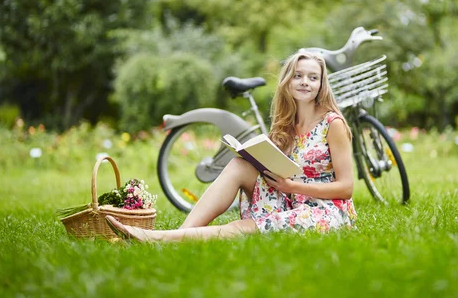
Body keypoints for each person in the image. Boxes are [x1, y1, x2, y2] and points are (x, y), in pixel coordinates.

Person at [105, 51, 357, 242]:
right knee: (239, 164)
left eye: (313, 78)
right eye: (298, 76)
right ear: (288, 82)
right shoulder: (287, 123)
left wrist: (291, 186)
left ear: (321, 84)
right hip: (292, 199)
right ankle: (180, 234)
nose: (305, 82)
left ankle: (158, 239)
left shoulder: (333, 124)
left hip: (325, 211)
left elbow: (346, 188)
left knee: (242, 229)